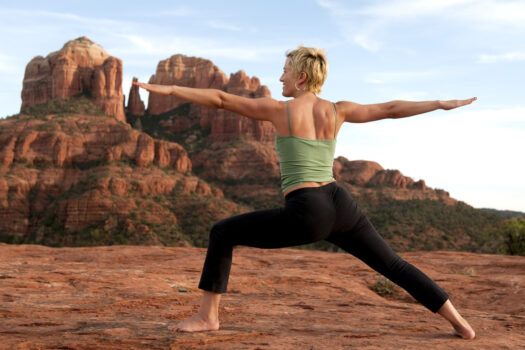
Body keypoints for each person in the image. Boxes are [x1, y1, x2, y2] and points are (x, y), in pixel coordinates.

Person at [134, 46, 476, 339]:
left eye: (284, 72)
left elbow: (221, 99)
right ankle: (460, 323)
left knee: (222, 232)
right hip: (340, 204)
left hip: (307, 210)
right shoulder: (337, 110)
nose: (280, 78)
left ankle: (208, 317)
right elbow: (389, 110)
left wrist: (168, 90)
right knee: (394, 265)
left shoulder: (278, 109)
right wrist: (439, 103)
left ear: (299, 77)